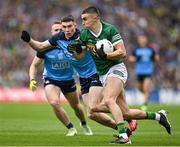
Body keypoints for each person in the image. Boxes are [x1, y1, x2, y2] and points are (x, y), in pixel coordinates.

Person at [68, 6, 171, 144]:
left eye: (85, 19)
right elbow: (80, 56)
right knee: (115, 111)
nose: (83, 22)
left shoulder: (110, 30)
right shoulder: (85, 34)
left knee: (109, 100)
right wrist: (74, 51)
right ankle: (159, 116)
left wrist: (106, 55)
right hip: (102, 75)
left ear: (95, 17)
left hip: (116, 68)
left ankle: (124, 136)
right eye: (82, 19)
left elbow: (122, 52)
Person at [21, 15, 136, 138]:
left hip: (95, 73)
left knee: (96, 105)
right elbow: (39, 48)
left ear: (75, 26)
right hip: (78, 78)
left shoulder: (84, 36)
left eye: (68, 26)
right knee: (91, 113)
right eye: (62, 28)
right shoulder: (57, 40)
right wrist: (29, 40)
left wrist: (108, 54)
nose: (65, 30)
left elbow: (100, 47)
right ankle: (123, 123)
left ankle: (124, 119)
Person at [28, 21, 92, 136]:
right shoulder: (45, 48)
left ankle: (84, 124)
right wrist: (32, 79)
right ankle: (71, 128)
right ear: (52, 33)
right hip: (51, 79)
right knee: (54, 102)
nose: (59, 32)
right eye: (56, 30)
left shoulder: (69, 44)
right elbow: (33, 65)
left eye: (60, 30)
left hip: (68, 79)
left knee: (76, 106)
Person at [128, 34, 160, 111]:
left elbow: (157, 58)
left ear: (146, 40)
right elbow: (130, 59)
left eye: (143, 39)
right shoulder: (136, 50)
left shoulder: (150, 50)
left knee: (145, 88)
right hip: (139, 72)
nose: (142, 41)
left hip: (148, 72)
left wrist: (154, 59)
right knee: (139, 88)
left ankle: (145, 104)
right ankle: (147, 95)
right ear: (139, 41)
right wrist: (136, 59)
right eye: (141, 39)